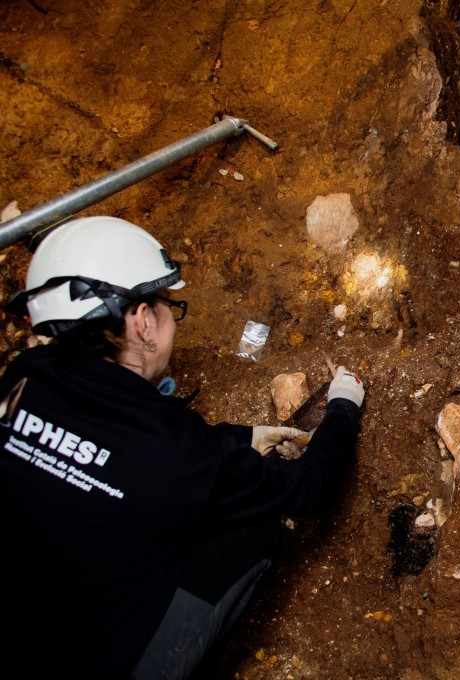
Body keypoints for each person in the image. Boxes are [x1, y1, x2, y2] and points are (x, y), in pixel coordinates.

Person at [0, 216, 366, 680]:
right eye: (167, 305)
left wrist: (242, 438)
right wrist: (342, 408)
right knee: (254, 529)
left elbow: (122, 452)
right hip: (93, 663)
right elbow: (310, 489)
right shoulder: (174, 451)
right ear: (141, 322)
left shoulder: (21, 379)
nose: (172, 315)